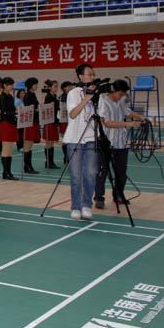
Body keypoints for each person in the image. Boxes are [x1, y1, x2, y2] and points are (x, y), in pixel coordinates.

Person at [96, 80, 146, 209]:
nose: (121, 96)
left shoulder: (121, 101)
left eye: (123, 94)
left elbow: (127, 112)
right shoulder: (103, 103)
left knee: (121, 172)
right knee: (102, 171)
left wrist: (141, 118)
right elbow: (106, 123)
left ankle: (119, 195)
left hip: (121, 143)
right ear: (114, 91)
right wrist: (128, 124)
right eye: (120, 94)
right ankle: (99, 198)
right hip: (106, 143)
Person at [63, 63, 99, 221]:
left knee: (90, 173)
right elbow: (73, 114)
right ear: (81, 76)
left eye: (93, 74)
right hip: (74, 139)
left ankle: (87, 205)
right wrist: (86, 98)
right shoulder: (73, 93)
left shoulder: (97, 94)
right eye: (89, 74)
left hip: (91, 138)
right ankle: (76, 207)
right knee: (76, 175)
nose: (92, 77)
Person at [0, 77, 18, 180]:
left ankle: (8, 172)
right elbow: (3, 112)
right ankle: (5, 172)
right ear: (5, 85)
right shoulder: (2, 97)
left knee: (10, 149)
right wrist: (15, 112)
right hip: (5, 124)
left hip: (11, 123)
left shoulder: (10, 97)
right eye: (10, 85)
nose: (12, 87)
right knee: (6, 149)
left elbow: (11, 109)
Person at [21, 77, 41, 174]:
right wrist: (36, 109)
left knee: (30, 145)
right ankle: (27, 166)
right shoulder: (28, 95)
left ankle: (28, 166)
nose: (36, 86)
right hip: (29, 122)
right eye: (35, 84)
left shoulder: (33, 94)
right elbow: (29, 108)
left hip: (34, 121)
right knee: (28, 145)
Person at [42, 80, 61, 169]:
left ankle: (51, 161)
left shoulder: (55, 96)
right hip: (49, 121)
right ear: (50, 87)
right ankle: (48, 162)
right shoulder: (48, 97)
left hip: (54, 121)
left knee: (52, 142)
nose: (56, 88)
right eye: (55, 86)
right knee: (48, 142)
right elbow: (47, 108)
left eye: (57, 86)